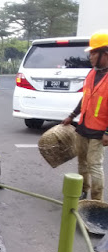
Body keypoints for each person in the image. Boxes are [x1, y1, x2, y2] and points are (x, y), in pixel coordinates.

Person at [62, 30, 108, 201]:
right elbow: (85, 97)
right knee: (82, 162)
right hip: (83, 126)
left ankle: (96, 201)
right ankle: (83, 191)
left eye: (94, 52)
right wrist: (72, 115)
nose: (90, 56)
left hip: (99, 130)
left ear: (105, 53)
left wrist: (107, 132)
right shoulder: (92, 73)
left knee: (95, 166)